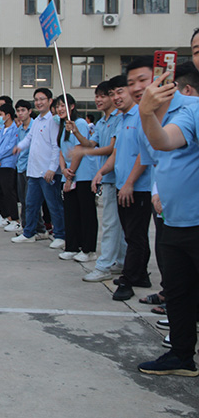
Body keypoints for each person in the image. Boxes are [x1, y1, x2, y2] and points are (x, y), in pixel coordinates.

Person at [135, 64, 199, 376]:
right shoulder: (157, 115)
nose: (138, 88)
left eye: (142, 81)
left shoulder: (192, 107)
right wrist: (147, 114)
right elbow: (160, 150)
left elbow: (164, 142)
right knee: (178, 292)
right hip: (173, 221)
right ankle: (182, 356)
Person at [92, 59, 154, 301]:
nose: (117, 97)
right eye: (113, 93)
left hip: (138, 187)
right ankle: (140, 275)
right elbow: (116, 152)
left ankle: (128, 282)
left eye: (121, 91)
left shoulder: (142, 115)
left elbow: (144, 154)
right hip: (122, 185)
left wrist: (129, 183)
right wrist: (102, 172)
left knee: (135, 236)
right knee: (131, 234)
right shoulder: (124, 118)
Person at [75, 81, 125, 281]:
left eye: (103, 96)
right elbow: (90, 142)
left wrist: (85, 151)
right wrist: (77, 133)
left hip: (114, 176)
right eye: (97, 96)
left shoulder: (119, 119)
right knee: (117, 223)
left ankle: (104, 265)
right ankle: (120, 262)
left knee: (111, 223)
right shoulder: (102, 122)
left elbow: (112, 148)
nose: (99, 100)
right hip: (107, 176)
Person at [10, 88, 66, 249]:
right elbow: (29, 138)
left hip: (48, 173)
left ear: (50, 101)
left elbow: (57, 146)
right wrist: (19, 147)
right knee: (30, 204)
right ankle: (29, 233)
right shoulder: (37, 121)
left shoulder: (53, 121)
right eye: (36, 99)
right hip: (33, 171)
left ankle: (60, 235)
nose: (39, 102)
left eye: (42, 99)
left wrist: (52, 168)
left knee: (53, 205)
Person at [56, 94, 98, 262]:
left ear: (72, 106)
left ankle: (88, 249)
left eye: (63, 106)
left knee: (86, 212)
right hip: (69, 173)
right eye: (58, 106)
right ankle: (72, 246)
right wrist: (63, 169)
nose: (60, 109)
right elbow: (61, 150)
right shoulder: (61, 125)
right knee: (71, 212)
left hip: (83, 174)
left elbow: (79, 149)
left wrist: (69, 175)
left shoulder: (79, 124)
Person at [0, 104, 20, 232]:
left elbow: (11, 147)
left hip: (6, 164)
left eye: (1, 114)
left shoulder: (14, 130)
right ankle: (5, 215)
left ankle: (15, 219)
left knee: (8, 191)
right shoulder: (0, 130)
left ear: (8, 115)